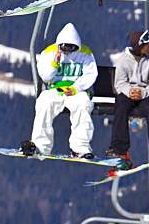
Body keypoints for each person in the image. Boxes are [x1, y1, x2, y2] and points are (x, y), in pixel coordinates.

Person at [20, 22, 98, 158]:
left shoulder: (85, 53)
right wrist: (55, 63)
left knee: (83, 105)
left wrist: (76, 87)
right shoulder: (50, 52)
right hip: (55, 88)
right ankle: (40, 145)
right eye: (64, 47)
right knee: (44, 102)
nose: (67, 51)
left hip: (76, 90)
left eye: (71, 48)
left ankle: (80, 147)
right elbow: (45, 76)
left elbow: (90, 74)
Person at [106, 30, 149, 170]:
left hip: (147, 94)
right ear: (139, 46)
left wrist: (143, 92)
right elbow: (120, 83)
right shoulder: (124, 60)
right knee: (121, 106)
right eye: (147, 44)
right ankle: (119, 149)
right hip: (128, 93)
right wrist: (130, 92)